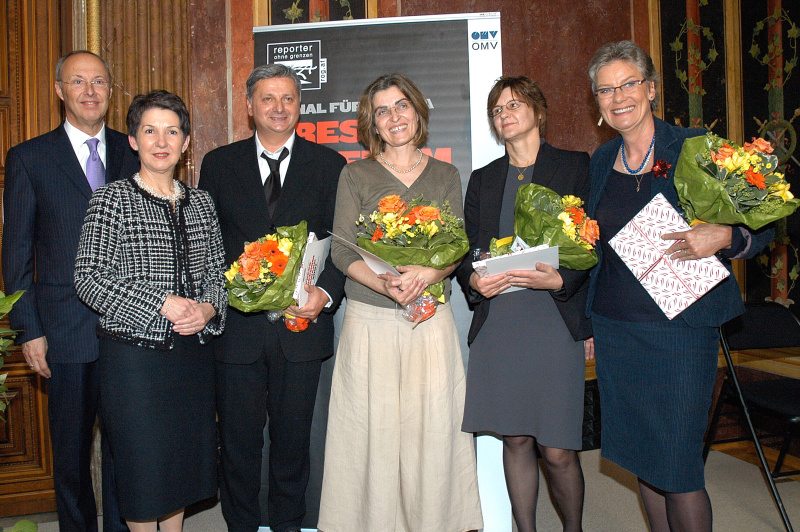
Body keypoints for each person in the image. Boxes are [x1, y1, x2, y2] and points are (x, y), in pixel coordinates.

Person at [586, 41, 774, 532]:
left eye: (629, 84)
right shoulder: (600, 161)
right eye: (606, 90)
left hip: (679, 334)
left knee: (680, 467)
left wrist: (728, 236)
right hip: (615, 330)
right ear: (598, 104)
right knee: (644, 461)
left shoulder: (694, 147)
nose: (618, 96)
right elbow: (593, 251)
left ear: (651, 88)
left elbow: (766, 222)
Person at [317, 73, 483, 532]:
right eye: (383, 111)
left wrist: (428, 274)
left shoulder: (446, 174)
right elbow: (343, 249)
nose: (394, 118)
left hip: (429, 321)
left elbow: (456, 244)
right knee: (370, 434)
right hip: (371, 321)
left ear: (418, 111)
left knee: (432, 432)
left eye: (402, 106)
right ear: (372, 123)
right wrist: (385, 283)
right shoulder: (355, 174)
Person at [198, 64, 346, 532]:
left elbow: (344, 245)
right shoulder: (218, 164)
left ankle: (288, 525)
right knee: (239, 446)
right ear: (249, 106)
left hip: (301, 330)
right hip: (239, 334)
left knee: (292, 446)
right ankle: (240, 526)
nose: (278, 108)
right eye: (267, 98)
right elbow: (207, 245)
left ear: (299, 106)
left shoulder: (329, 164)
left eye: (287, 99)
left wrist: (325, 294)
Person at [74, 89, 226, 532]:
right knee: (144, 472)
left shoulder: (202, 203)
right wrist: (158, 303)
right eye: (150, 131)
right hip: (134, 361)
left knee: (179, 468)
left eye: (172, 131)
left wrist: (209, 308)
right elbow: (89, 277)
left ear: (186, 142)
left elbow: (219, 273)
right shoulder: (111, 200)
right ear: (133, 140)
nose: (162, 141)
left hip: (192, 359)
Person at [2, 50, 139, 532]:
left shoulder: (136, 149)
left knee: (129, 449)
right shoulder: (29, 158)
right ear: (59, 89)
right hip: (63, 332)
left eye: (99, 81)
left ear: (109, 90)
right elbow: (16, 254)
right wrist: (28, 331)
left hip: (130, 329)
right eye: (78, 81)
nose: (89, 91)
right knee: (71, 454)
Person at [455, 76, 593, 532]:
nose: (504, 113)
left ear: (538, 110)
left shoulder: (575, 166)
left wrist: (563, 278)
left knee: (557, 448)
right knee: (514, 438)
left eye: (513, 104)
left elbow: (592, 241)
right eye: (497, 109)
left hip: (553, 316)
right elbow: (466, 251)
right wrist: (474, 278)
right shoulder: (484, 179)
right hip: (502, 320)